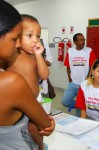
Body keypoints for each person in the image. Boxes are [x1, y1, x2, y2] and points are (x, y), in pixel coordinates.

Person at [0, 0, 55, 150]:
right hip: (20, 103)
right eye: (29, 36)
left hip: (33, 100)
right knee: (32, 128)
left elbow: (44, 75)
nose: (35, 40)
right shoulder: (11, 58)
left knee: (37, 129)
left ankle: (40, 146)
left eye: (37, 36)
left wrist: (39, 56)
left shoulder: (32, 57)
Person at [61, 33, 96, 116]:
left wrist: (88, 77)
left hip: (84, 84)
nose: (82, 42)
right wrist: (69, 78)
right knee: (65, 101)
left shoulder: (89, 51)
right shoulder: (70, 51)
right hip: (73, 82)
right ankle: (79, 105)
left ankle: (80, 110)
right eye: (79, 40)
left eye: (83, 39)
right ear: (74, 42)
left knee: (78, 115)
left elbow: (93, 66)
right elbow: (68, 66)